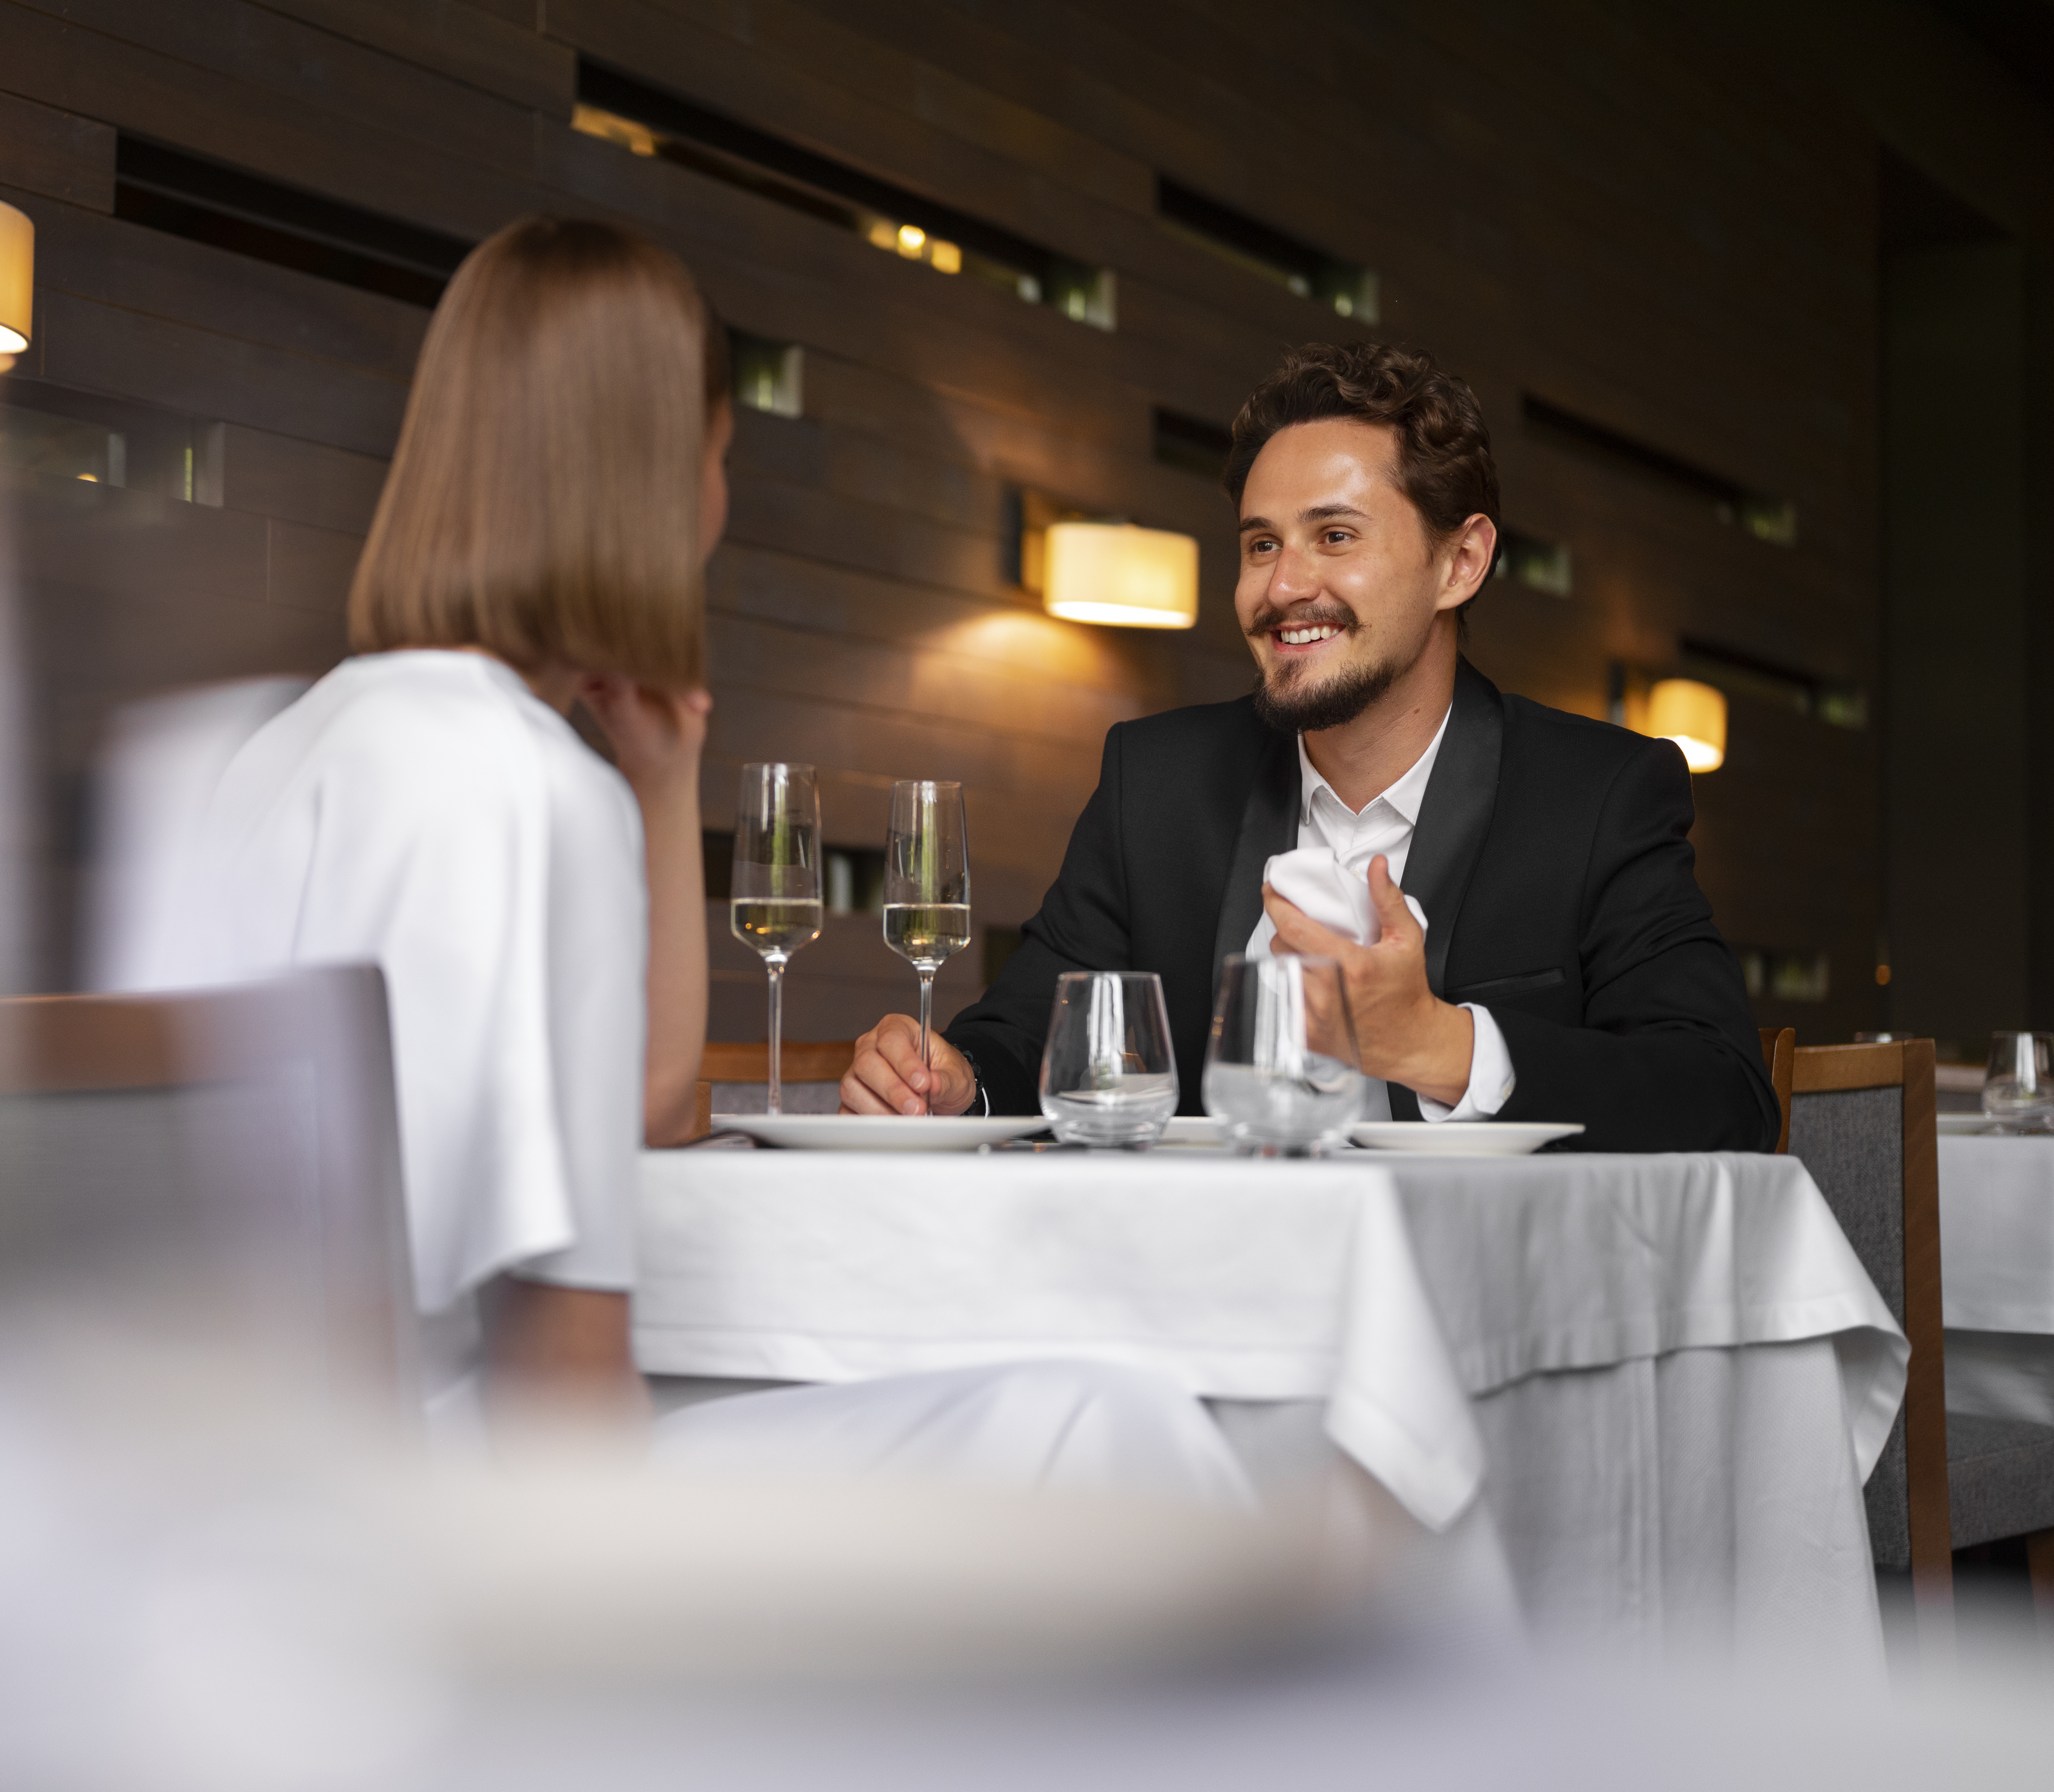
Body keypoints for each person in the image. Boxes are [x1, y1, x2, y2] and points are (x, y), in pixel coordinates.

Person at [124, 215, 1254, 1500]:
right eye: (719, 455)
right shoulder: (524, 787)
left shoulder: (291, 746)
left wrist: (661, 786)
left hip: (250, 1498)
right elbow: (563, 1399)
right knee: (1105, 1425)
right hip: (458, 1532)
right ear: (658, 476)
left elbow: (649, 1115)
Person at [841, 343, 1777, 1154]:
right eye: (1259, 546)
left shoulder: (1598, 793)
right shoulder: (1155, 782)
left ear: (1460, 562)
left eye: (1333, 535)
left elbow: (1720, 1093)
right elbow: (1025, 1033)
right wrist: (959, 1078)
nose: (1284, 585)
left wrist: (1438, 1045)